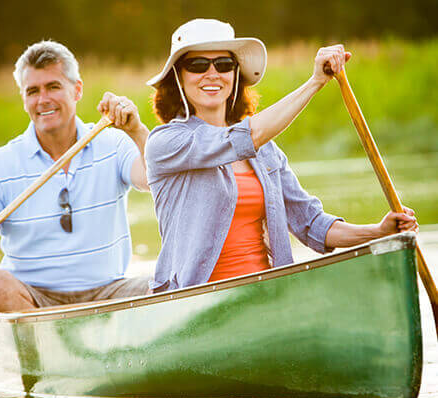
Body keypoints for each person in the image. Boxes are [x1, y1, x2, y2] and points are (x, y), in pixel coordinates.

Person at [145, 19, 418, 292]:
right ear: (179, 77)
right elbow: (245, 137)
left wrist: (380, 232)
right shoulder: (167, 142)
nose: (213, 74)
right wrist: (314, 82)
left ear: (235, 74)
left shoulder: (265, 152)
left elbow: (312, 224)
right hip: (196, 301)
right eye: (198, 65)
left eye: (224, 65)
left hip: (268, 294)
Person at [0, 40, 151, 312]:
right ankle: (52, 344)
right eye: (32, 91)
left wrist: (137, 131)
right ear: (24, 99)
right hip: (33, 299)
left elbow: (152, 180)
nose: (43, 100)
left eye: (53, 87)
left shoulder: (113, 143)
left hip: (110, 292)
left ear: (77, 90)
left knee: (168, 280)